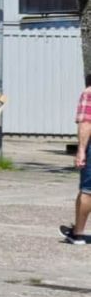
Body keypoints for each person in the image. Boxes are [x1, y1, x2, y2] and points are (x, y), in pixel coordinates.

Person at [62, 75, 91, 244]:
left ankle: (78, 233)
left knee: (88, 190)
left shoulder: (89, 93)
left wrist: (81, 150)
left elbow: (86, 123)